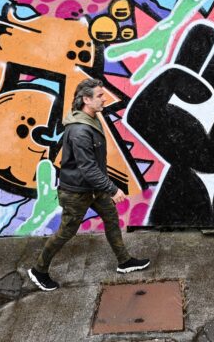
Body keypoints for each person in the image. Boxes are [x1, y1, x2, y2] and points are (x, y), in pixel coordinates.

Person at [28, 78, 150, 291]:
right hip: (76, 192)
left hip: (92, 188)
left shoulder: (91, 120)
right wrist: (112, 189)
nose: (104, 99)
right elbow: (88, 168)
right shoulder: (80, 131)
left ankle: (124, 261)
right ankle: (38, 270)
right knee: (66, 232)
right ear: (86, 99)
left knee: (111, 218)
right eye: (100, 96)